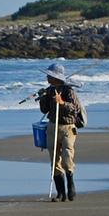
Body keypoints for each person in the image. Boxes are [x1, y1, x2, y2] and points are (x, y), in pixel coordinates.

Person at [38, 61, 83, 201]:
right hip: (52, 126)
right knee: (55, 161)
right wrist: (43, 98)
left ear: (55, 77)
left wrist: (62, 102)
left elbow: (76, 109)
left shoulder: (69, 91)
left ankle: (71, 186)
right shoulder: (50, 90)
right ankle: (60, 193)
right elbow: (44, 110)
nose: (47, 78)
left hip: (67, 128)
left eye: (49, 75)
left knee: (67, 158)